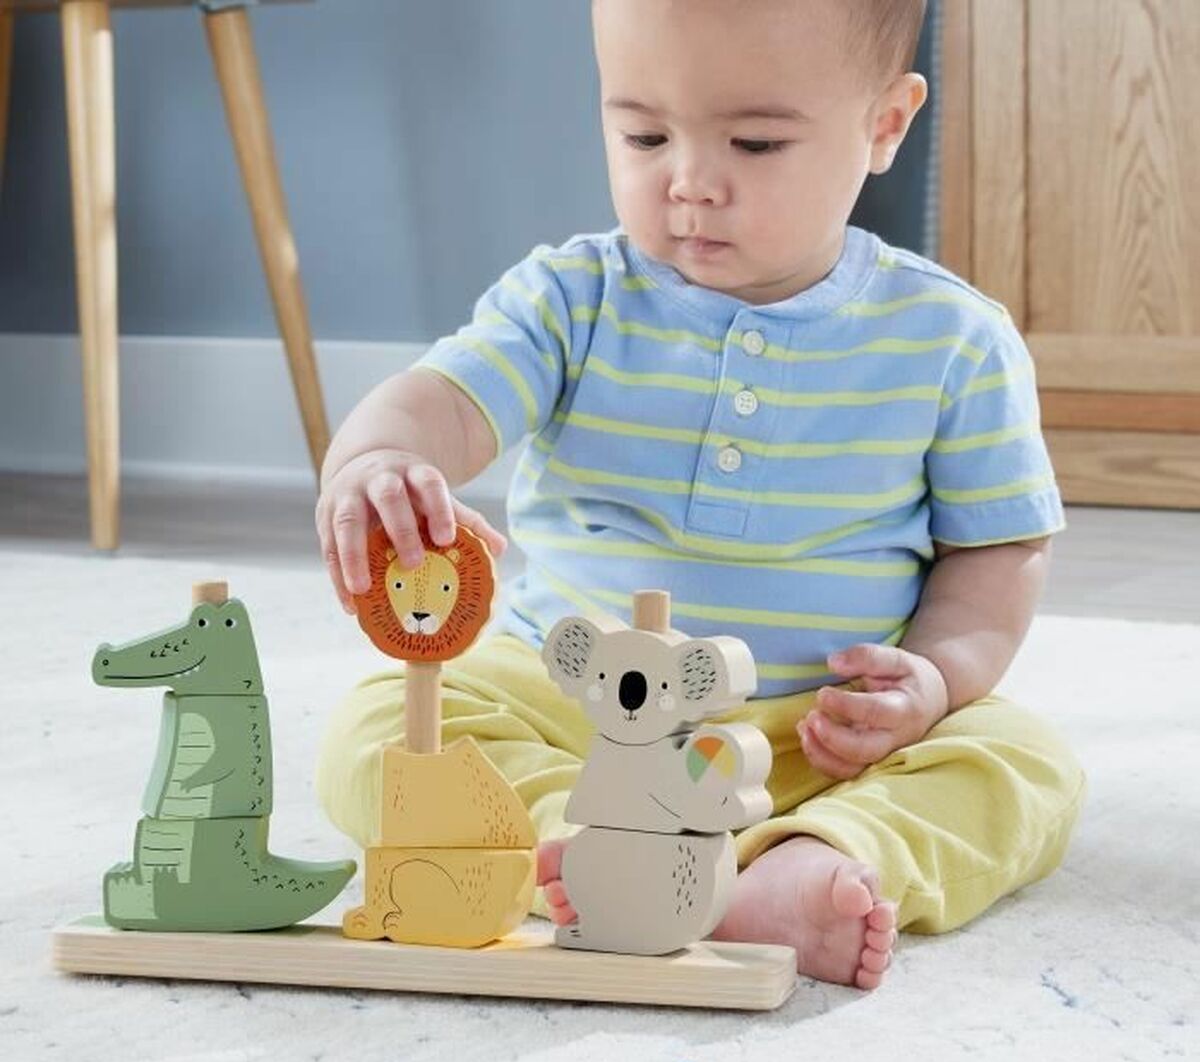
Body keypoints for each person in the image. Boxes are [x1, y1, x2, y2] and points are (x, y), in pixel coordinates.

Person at [313, 0, 1085, 989]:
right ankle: (582, 844)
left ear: (885, 124)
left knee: (1023, 761)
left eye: (754, 144)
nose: (689, 182)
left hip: (816, 736)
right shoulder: (570, 299)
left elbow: (997, 551)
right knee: (382, 726)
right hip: (572, 709)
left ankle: (811, 859)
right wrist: (380, 456)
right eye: (645, 135)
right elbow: (443, 405)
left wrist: (932, 680)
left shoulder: (953, 340)